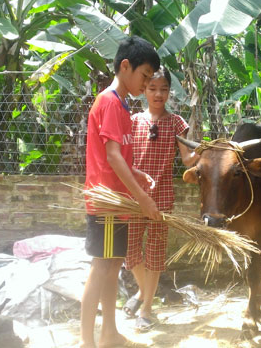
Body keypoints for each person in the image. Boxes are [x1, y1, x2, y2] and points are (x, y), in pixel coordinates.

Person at [81, 36, 163, 348]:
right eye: (144, 76)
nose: (146, 84)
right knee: (102, 268)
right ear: (125, 66)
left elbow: (116, 154)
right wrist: (142, 199)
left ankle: (109, 334)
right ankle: (87, 342)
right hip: (107, 204)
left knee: (112, 265)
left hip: (118, 202)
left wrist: (137, 174)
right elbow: (113, 157)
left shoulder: (121, 104)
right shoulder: (111, 102)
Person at [122, 66, 195, 331]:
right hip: (133, 198)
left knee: (154, 255)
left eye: (164, 89)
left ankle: (147, 308)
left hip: (162, 199)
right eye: (153, 88)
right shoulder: (132, 121)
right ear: (143, 90)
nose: (158, 94)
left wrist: (204, 153)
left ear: (169, 91)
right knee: (130, 253)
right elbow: (123, 160)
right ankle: (143, 293)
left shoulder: (177, 122)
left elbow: (187, 159)